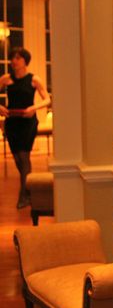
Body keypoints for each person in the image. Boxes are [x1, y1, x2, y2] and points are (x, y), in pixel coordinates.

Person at [1, 47, 51, 209]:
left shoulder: (34, 79)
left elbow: (47, 99)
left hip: (28, 123)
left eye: (17, 58)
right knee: (17, 159)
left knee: (24, 157)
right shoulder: (6, 79)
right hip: (12, 122)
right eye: (12, 58)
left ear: (25, 61)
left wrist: (33, 108)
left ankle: (24, 195)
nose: (14, 61)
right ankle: (28, 189)